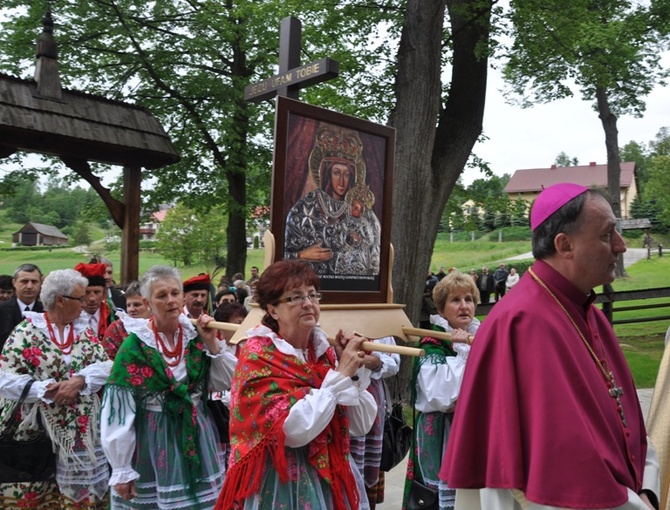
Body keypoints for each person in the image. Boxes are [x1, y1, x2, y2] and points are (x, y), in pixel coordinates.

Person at [440, 183, 659, 510]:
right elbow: (560, 471)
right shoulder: (523, 324)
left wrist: (648, 489)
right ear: (565, 244)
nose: (621, 246)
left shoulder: (588, 314)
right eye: (606, 234)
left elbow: (626, 424)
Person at [215, 259, 377, 510]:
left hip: (327, 467)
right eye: (295, 297)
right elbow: (292, 432)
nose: (308, 303)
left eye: (312, 295)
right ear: (273, 309)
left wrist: (353, 373)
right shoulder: (258, 356)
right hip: (278, 477)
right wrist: (340, 377)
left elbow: (360, 425)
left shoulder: (322, 351)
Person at [100, 265, 237, 509]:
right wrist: (121, 468)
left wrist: (212, 344)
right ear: (147, 302)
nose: (171, 300)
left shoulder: (196, 336)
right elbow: (119, 410)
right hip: (152, 438)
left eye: (175, 293)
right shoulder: (135, 346)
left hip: (197, 432)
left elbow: (227, 381)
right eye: (162, 295)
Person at [0, 269, 113, 508]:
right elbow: (3, 379)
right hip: (35, 433)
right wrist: (43, 389)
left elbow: (107, 366)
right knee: (37, 494)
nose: (85, 304)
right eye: (80, 298)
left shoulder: (83, 332)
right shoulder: (26, 332)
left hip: (81, 433)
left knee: (79, 499)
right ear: (60, 300)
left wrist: (80, 380)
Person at [402, 271, 478, 510]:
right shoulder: (432, 346)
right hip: (441, 434)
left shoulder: (481, 337)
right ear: (442, 310)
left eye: (469, 299)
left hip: (474, 431)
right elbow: (446, 396)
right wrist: (465, 353)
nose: (464, 306)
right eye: (455, 300)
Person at [284, 125, 381, 277]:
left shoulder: (361, 209)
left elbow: (375, 250)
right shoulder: (304, 208)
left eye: (347, 174)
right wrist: (301, 256)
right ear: (326, 173)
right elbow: (282, 257)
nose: (342, 181)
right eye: (336, 173)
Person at [349, 336, 400, 509]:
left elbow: (393, 363)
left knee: (367, 459)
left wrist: (374, 362)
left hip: (372, 398)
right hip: (343, 394)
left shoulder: (380, 328)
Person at [101, 281, 151, 360]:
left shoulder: (161, 325)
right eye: (128, 305)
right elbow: (106, 359)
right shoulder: (117, 328)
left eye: (137, 305)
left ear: (149, 304)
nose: (131, 309)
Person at [0, 263, 44, 349]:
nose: (29, 286)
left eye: (34, 282)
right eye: (24, 281)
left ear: (40, 283)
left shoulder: (48, 312)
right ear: (14, 282)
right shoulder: (1, 311)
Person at [76, 262, 113, 341]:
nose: (92, 299)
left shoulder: (113, 317)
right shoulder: (71, 318)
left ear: (104, 294)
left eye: (97, 292)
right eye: (87, 292)